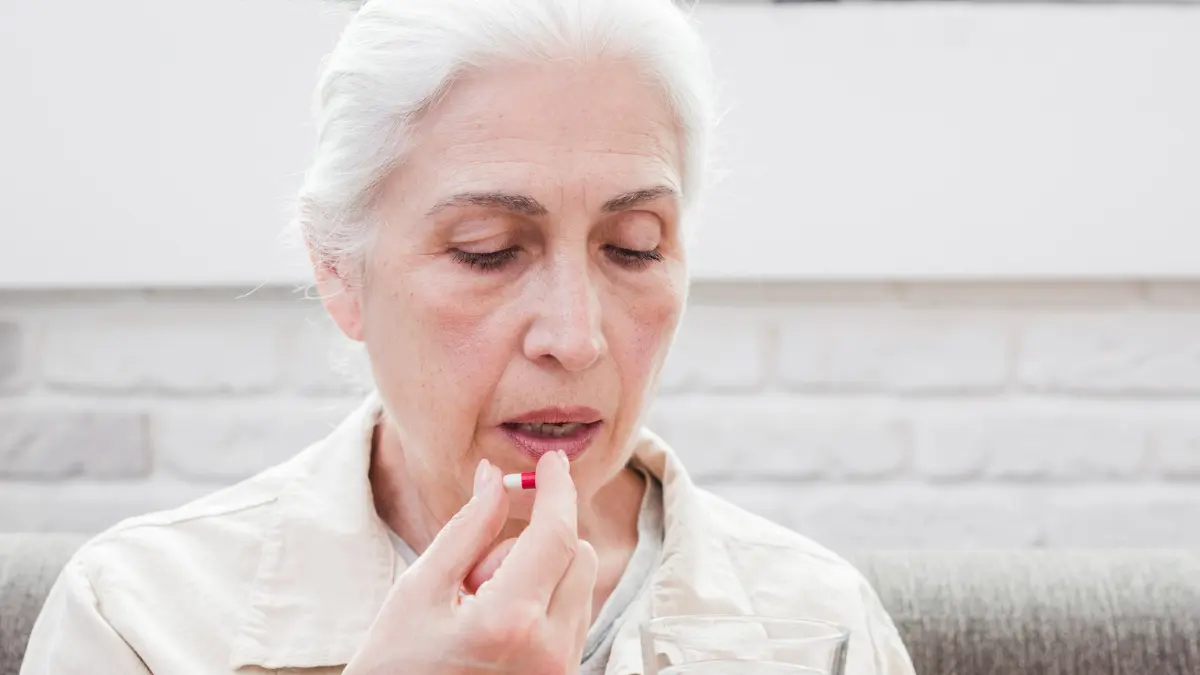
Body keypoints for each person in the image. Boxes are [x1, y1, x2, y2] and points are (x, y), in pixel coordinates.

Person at [21, 1, 916, 673]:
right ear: (340, 271)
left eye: (632, 248)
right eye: (489, 253)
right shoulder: (140, 618)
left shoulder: (821, 625)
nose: (575, 338)